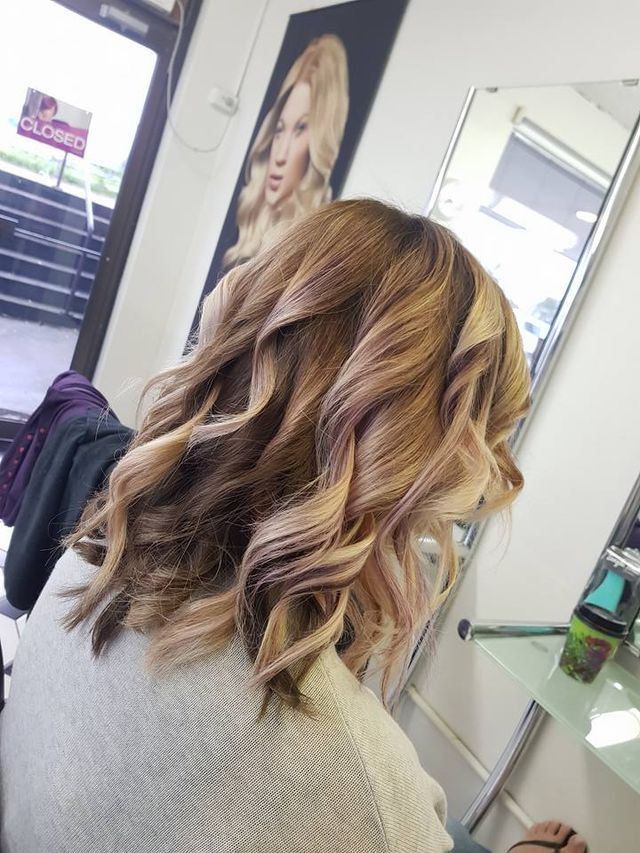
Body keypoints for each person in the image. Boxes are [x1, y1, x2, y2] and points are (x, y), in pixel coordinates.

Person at [0, 199, 586, 853]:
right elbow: (364, 808)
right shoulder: (355, 780)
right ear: (424, 464)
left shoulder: (89, 556)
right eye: (489, 439)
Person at [223, 34, 349, 270]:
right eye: (279, 131)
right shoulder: (248, 240)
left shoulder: (312, 256)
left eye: (300, 129)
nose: (280, 156)